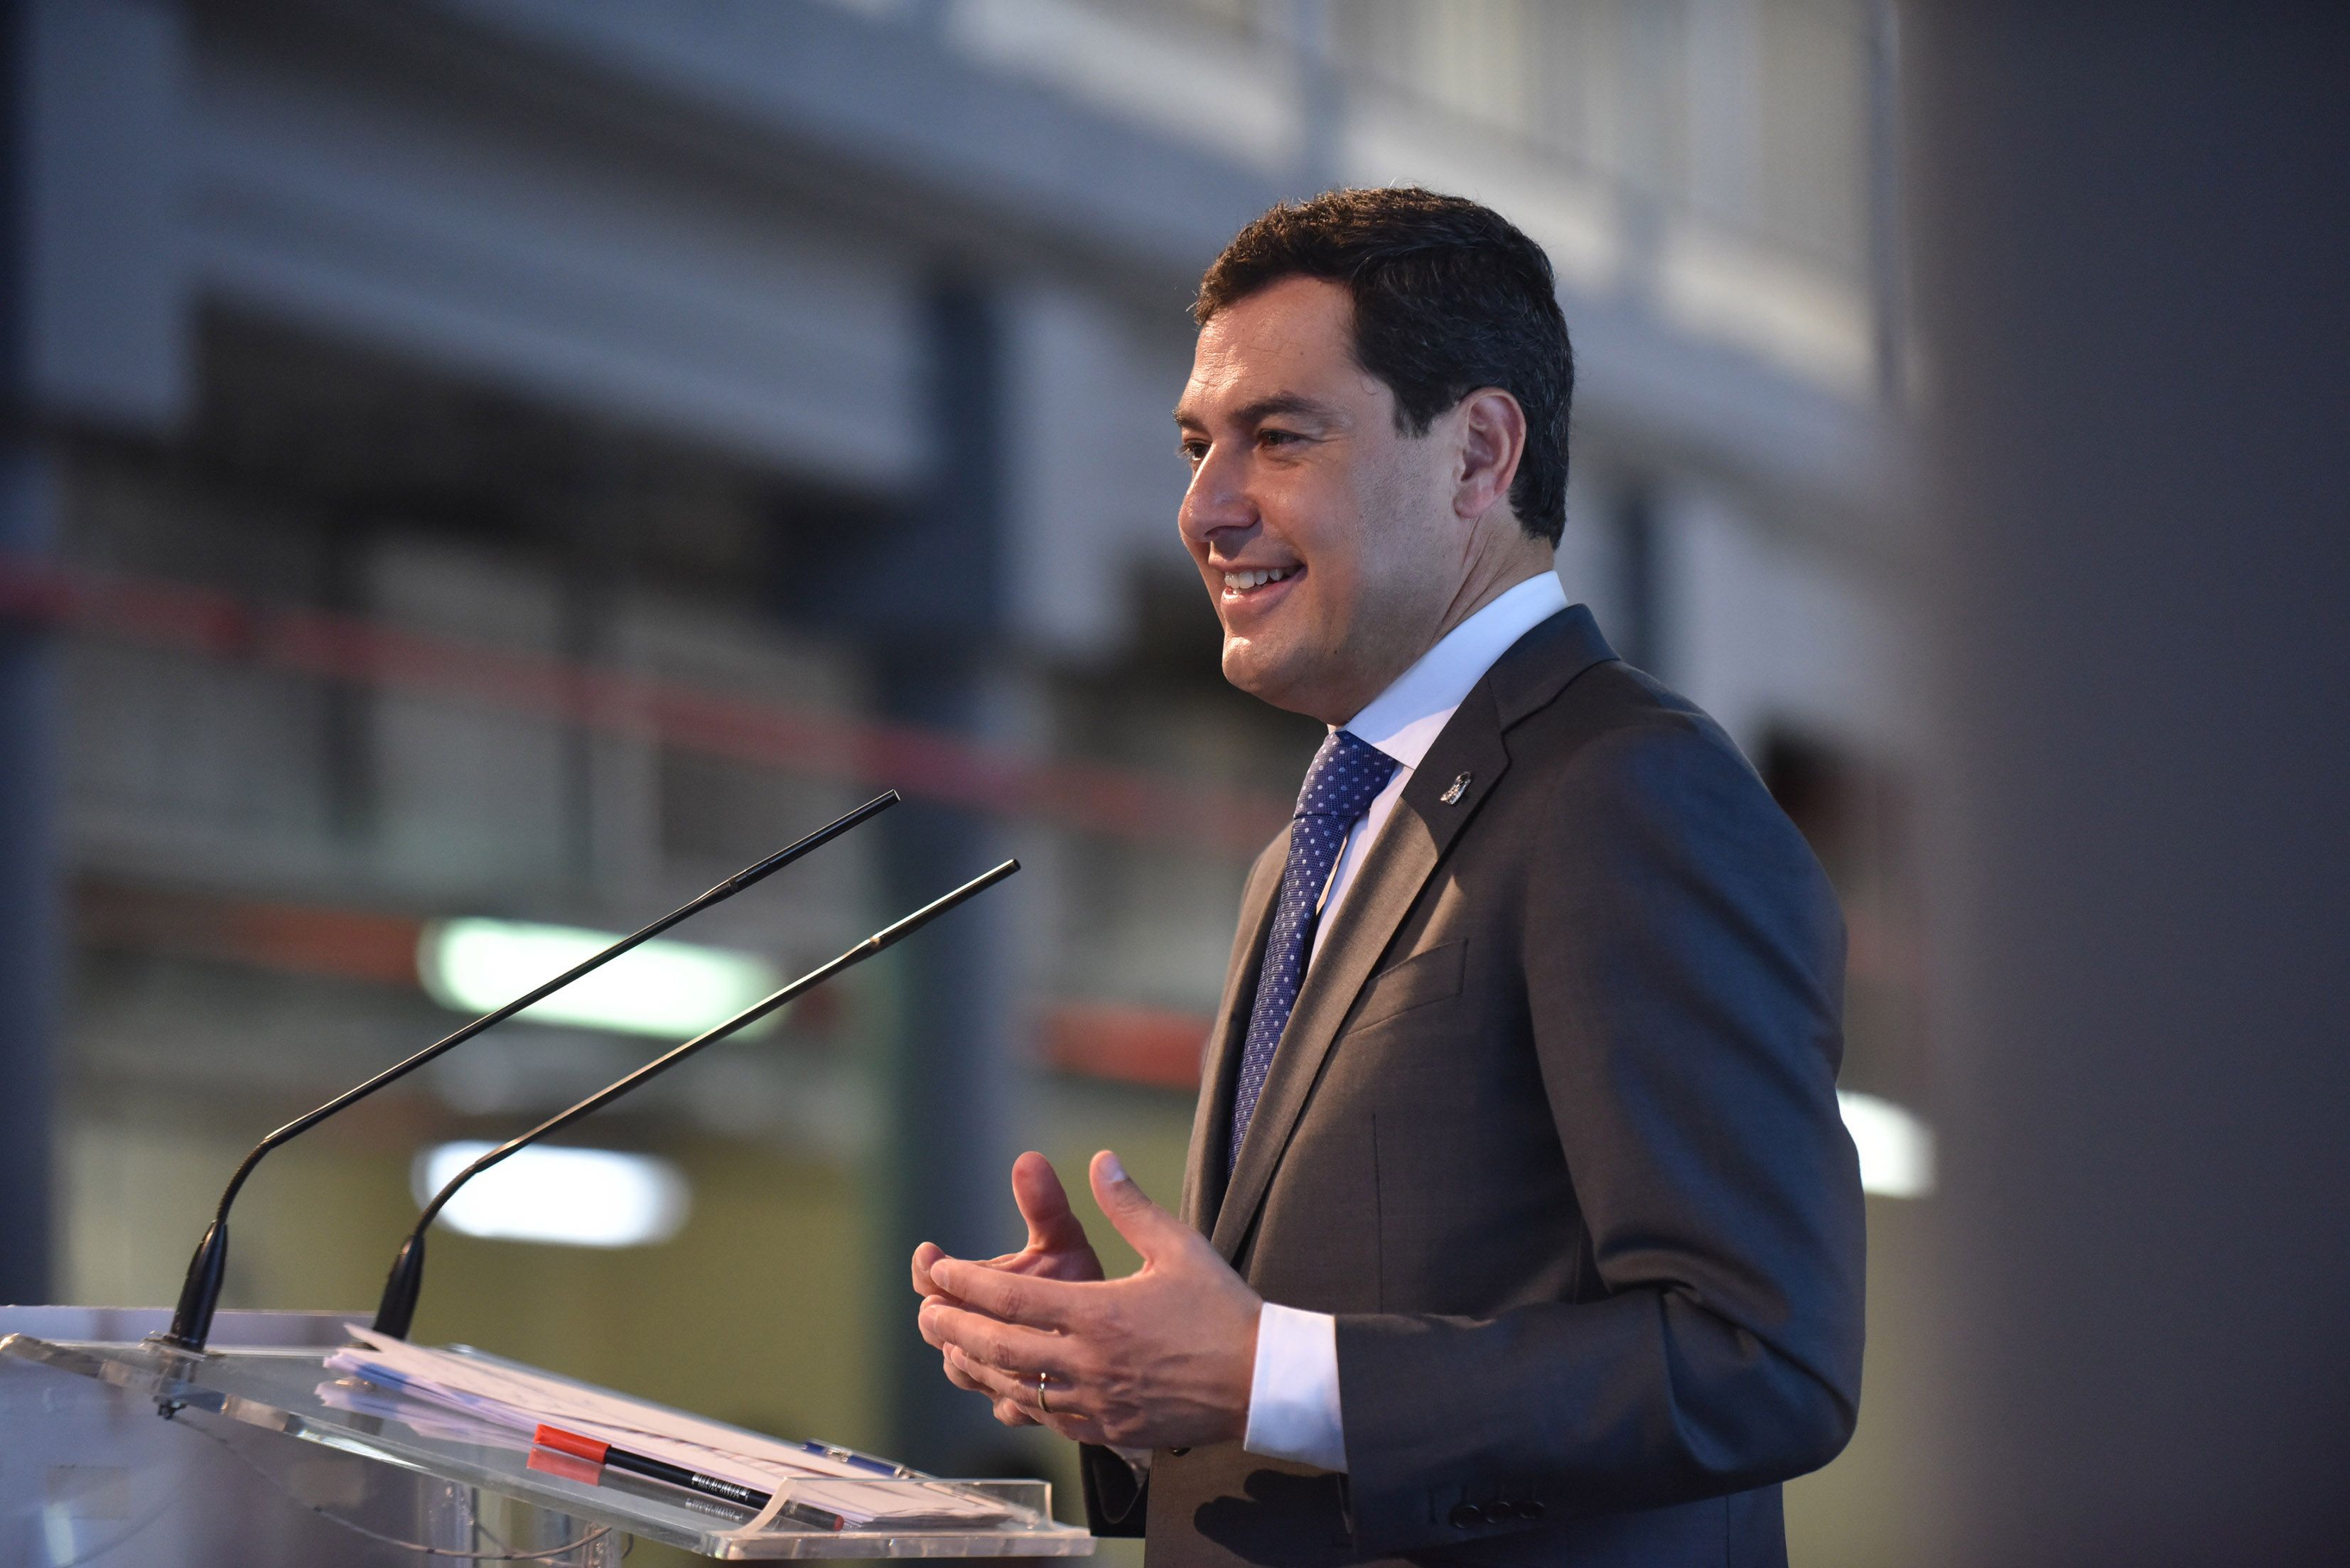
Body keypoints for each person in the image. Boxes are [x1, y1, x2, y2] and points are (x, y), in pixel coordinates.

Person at [912, 188, 1865, 1568]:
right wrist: (1125, 1372)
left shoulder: (1628, 794)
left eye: (1278, 437)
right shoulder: (1312, 847)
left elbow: (1761, 1359)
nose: (1204, 508)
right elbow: (1306, 1364)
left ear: (1477, 453)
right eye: (1195, 446)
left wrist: (1262, 1373)